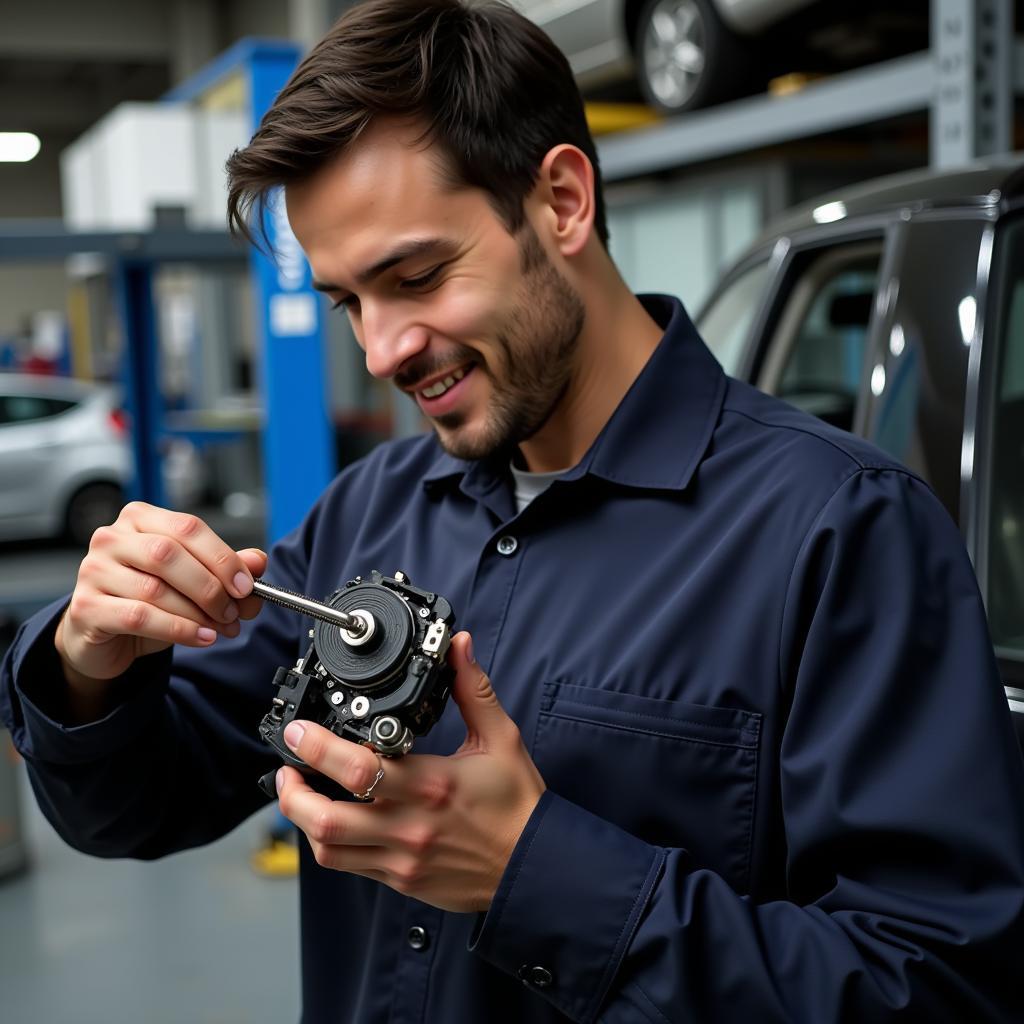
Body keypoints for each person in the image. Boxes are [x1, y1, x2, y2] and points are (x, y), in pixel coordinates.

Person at [2, 1, 1023, 1020]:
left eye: (416, 276)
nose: (382, 349)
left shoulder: (839, 532)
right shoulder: (368, 512)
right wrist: (92, 666)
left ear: (564, 201)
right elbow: (136, 804)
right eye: (350, 300)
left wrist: (538, 876)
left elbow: (936, 988)